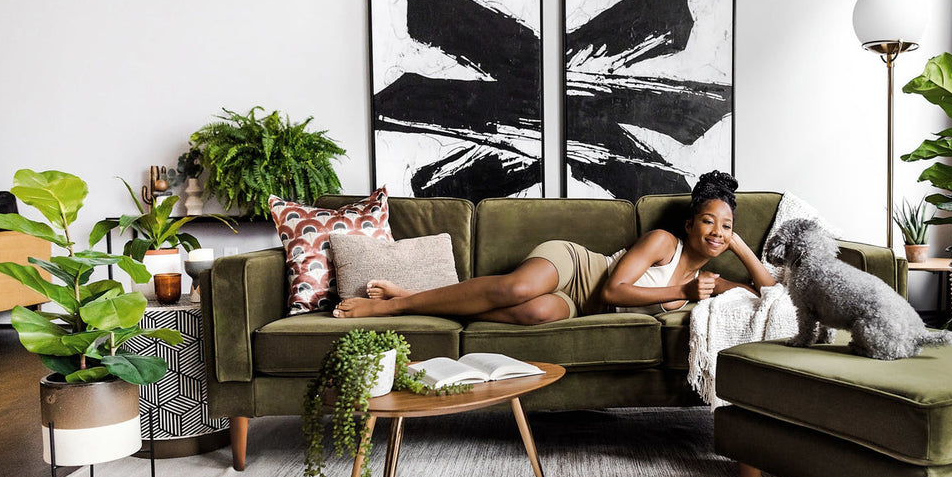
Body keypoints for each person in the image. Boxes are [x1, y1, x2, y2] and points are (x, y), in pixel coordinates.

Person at [332, 171, 776, 323]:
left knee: (535, 314)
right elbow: (614, 290)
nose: (716, 231)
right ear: (690, 223)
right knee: (517, 291)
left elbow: (768, 294)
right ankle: (391, 309)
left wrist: (739, 246)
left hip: (579, 308)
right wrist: (681, 292)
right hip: (578, 268)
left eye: (727, 226)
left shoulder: (710, 282)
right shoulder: (664, 242)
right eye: (708, 221)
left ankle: (412, 299)